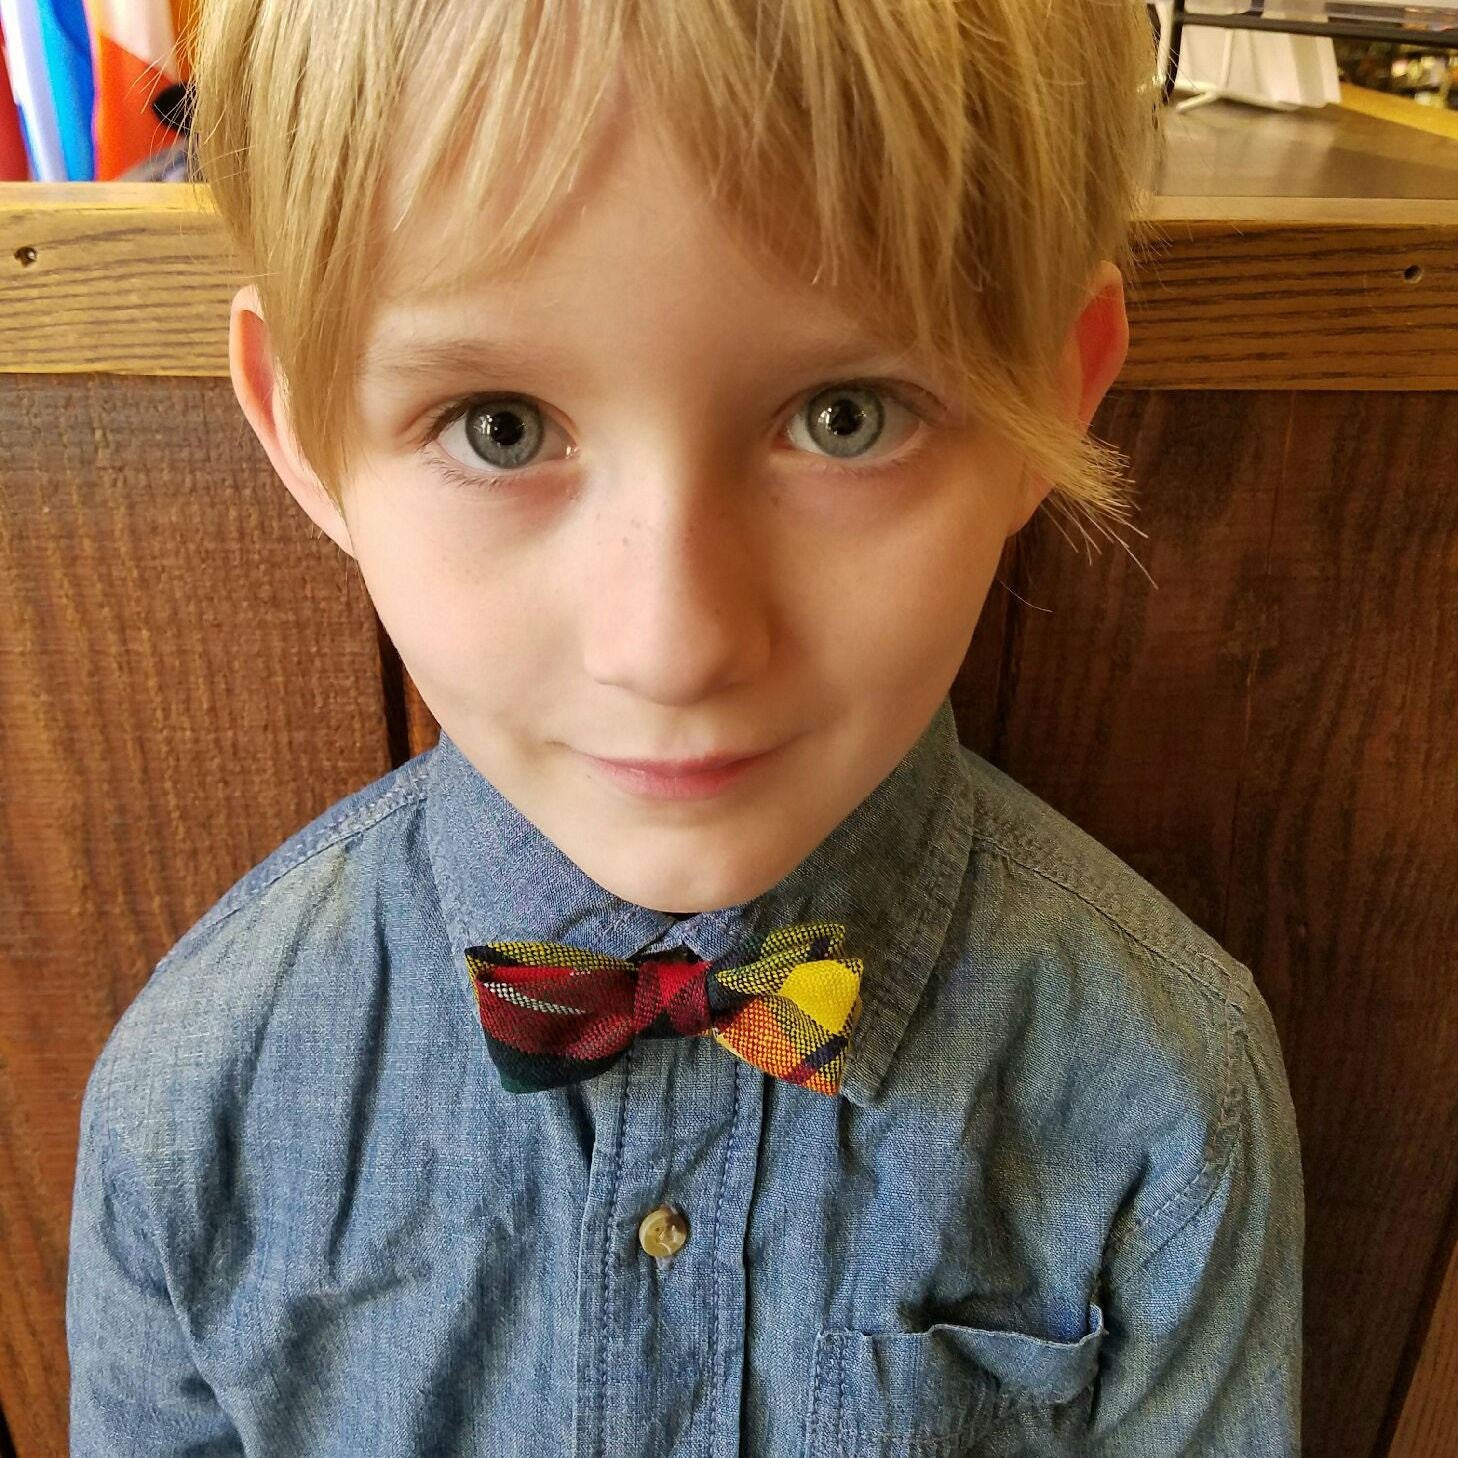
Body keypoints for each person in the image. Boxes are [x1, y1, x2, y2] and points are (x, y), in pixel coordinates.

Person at [66, 1, 1303, 1454]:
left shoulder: (1167, 1093)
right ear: (305, 430)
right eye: (500, 426)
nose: (670, 645)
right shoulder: (193, 1101)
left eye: (845, 416)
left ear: (1052, 391)